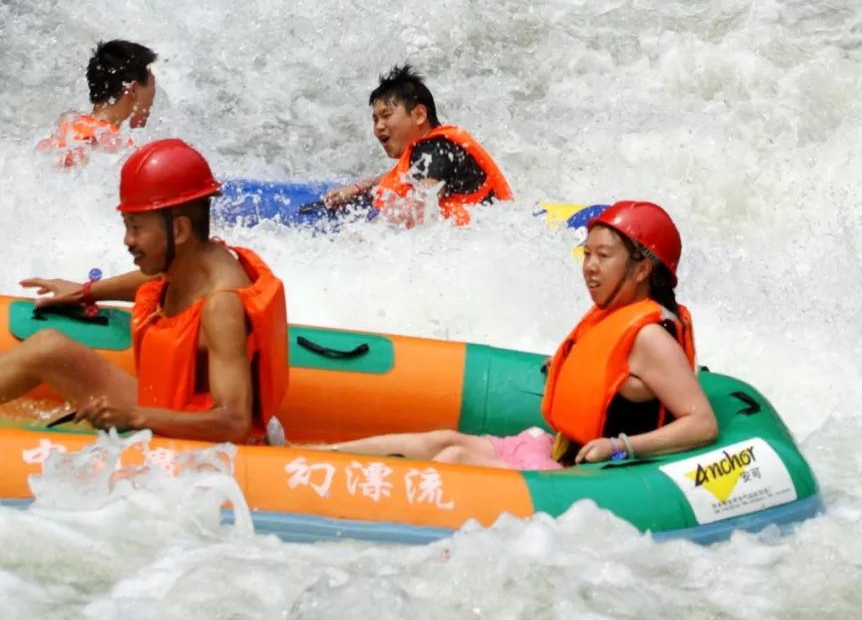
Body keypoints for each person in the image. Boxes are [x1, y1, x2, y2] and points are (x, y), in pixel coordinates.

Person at [320, 200, 717, 469]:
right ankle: (309, 455)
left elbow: (702, 424)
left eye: (604, 256)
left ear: (642, 268)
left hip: (585, 477)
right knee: (443, 441)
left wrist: (622, 447)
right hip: (554, 446)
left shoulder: (650, 337)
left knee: (455, 458)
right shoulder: (612, 315)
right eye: (587, 254)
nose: (589, 267)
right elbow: (606, 373)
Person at [7, 139, 288, 442]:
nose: (127, 240)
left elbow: (234, 422)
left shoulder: (222, 308)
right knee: (47, 347)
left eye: (136, 227)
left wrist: (135, 417)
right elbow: (154, 282)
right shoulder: (195, 260)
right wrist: (86, 292)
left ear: (178, 230)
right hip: (166, 407)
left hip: (194, 442)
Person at [323, 63, 511, 225]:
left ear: (419, 115)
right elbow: (403, 177)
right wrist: (359, 188)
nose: (378, 127)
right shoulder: (437, 148)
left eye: (386, 115)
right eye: (375, 120)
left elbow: (422, 206)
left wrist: (364, 236)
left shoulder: (434, 149)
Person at [37, 40, 158, 168]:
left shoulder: (68, 123)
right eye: (152, 85)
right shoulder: (117, 147)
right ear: (133, 88)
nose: (153, 99)